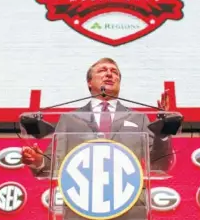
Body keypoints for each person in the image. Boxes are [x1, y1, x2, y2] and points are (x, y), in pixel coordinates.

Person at [21, 57, 174, 218]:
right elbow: (52, 164)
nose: (109, 74)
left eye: (114, 72)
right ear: (89, 82)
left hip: (130, 206)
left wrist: (163, 130)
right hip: (81, 206)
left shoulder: (139, 118)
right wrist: (38, 160)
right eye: (102, 70)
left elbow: (159, 164)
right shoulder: (70, 119)